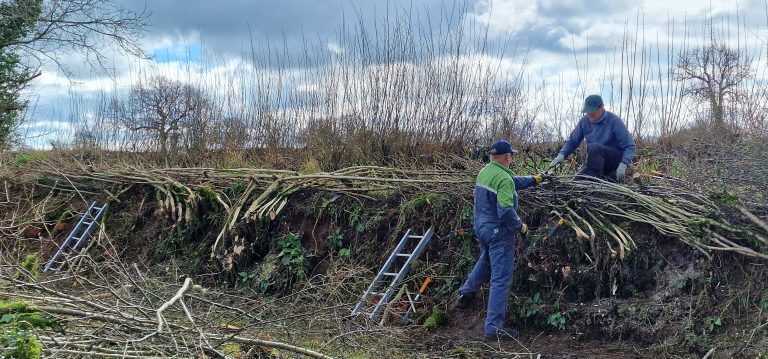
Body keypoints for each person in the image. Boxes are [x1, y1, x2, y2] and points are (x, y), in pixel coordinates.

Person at [455, 140, 550, 341]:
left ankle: (466, 293)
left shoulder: (486, 172)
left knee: (486, 261)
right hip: (499, 232)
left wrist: (535, 179)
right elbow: (506, 211)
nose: (512, 157)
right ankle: (493, 327)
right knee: (501, 278)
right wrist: (521, 226)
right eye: (512, 155)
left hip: (481, 227)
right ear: (507, 157)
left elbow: (512, 182)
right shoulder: (503, 179)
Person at [549, 94, 636, 181]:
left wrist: (623, 164)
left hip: (613, 159)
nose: (589, 115)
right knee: (576, 181)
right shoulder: (584, 121)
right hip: (595, 161)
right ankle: (594, 178)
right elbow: (573, 141)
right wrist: (562, 154)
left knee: (595, 148)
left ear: (601, 107)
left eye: (592, 112)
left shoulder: (614, 121)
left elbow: (630, 146)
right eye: (587, 112)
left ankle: (595, 182)